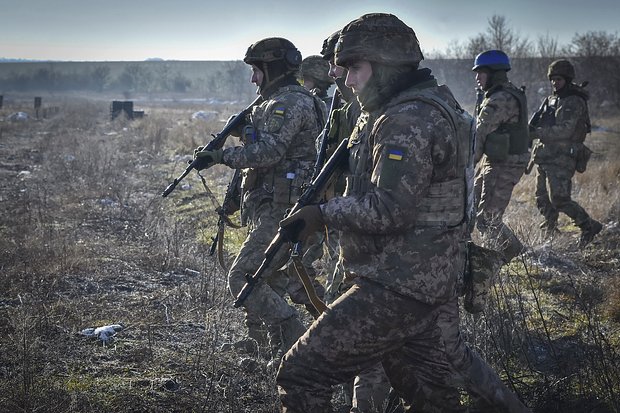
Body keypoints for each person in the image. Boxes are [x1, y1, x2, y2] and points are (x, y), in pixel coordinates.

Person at [275, 13, 478, 412]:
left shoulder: (405, 118)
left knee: (301, 373)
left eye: (355, 68)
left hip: (397, 282)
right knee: (429, 396)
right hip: (421, 277)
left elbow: (391, 209)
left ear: (384, 66)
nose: (348, 81)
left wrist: (323, 213)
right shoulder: (419, 106)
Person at [191, 37, 327, 364]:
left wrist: (220, 156)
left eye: (256, 71)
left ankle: (295, 337)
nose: (253, 79)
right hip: (272, 205)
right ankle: (267, 347)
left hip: (286, 209)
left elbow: (269, 152)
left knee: (242, 277)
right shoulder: (272, 102)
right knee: (264, 277)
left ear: (272, 68)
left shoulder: (289, 103)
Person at [530, 59, 602, 247]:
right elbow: (538, 121)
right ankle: (550, 227)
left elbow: (565, 131)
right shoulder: (553, 99)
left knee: (560, 199)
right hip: (546, 154)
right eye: (552, 79)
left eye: (559, 79)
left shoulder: (573, 101)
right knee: (541, 196)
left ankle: (588, 226)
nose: (555, 83)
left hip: (563, 156)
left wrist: (537, 133)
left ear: (568, 80)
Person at [471, 50, 530, 262]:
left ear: (494, 73)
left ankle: (516, 256)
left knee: (488, 219)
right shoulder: (506, 93)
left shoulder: (499, 99)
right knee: (473, 205)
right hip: (496, 160)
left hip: (504, 163)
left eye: (481, 73)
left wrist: (467, 167)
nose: (477, 77)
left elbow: (480, 133)